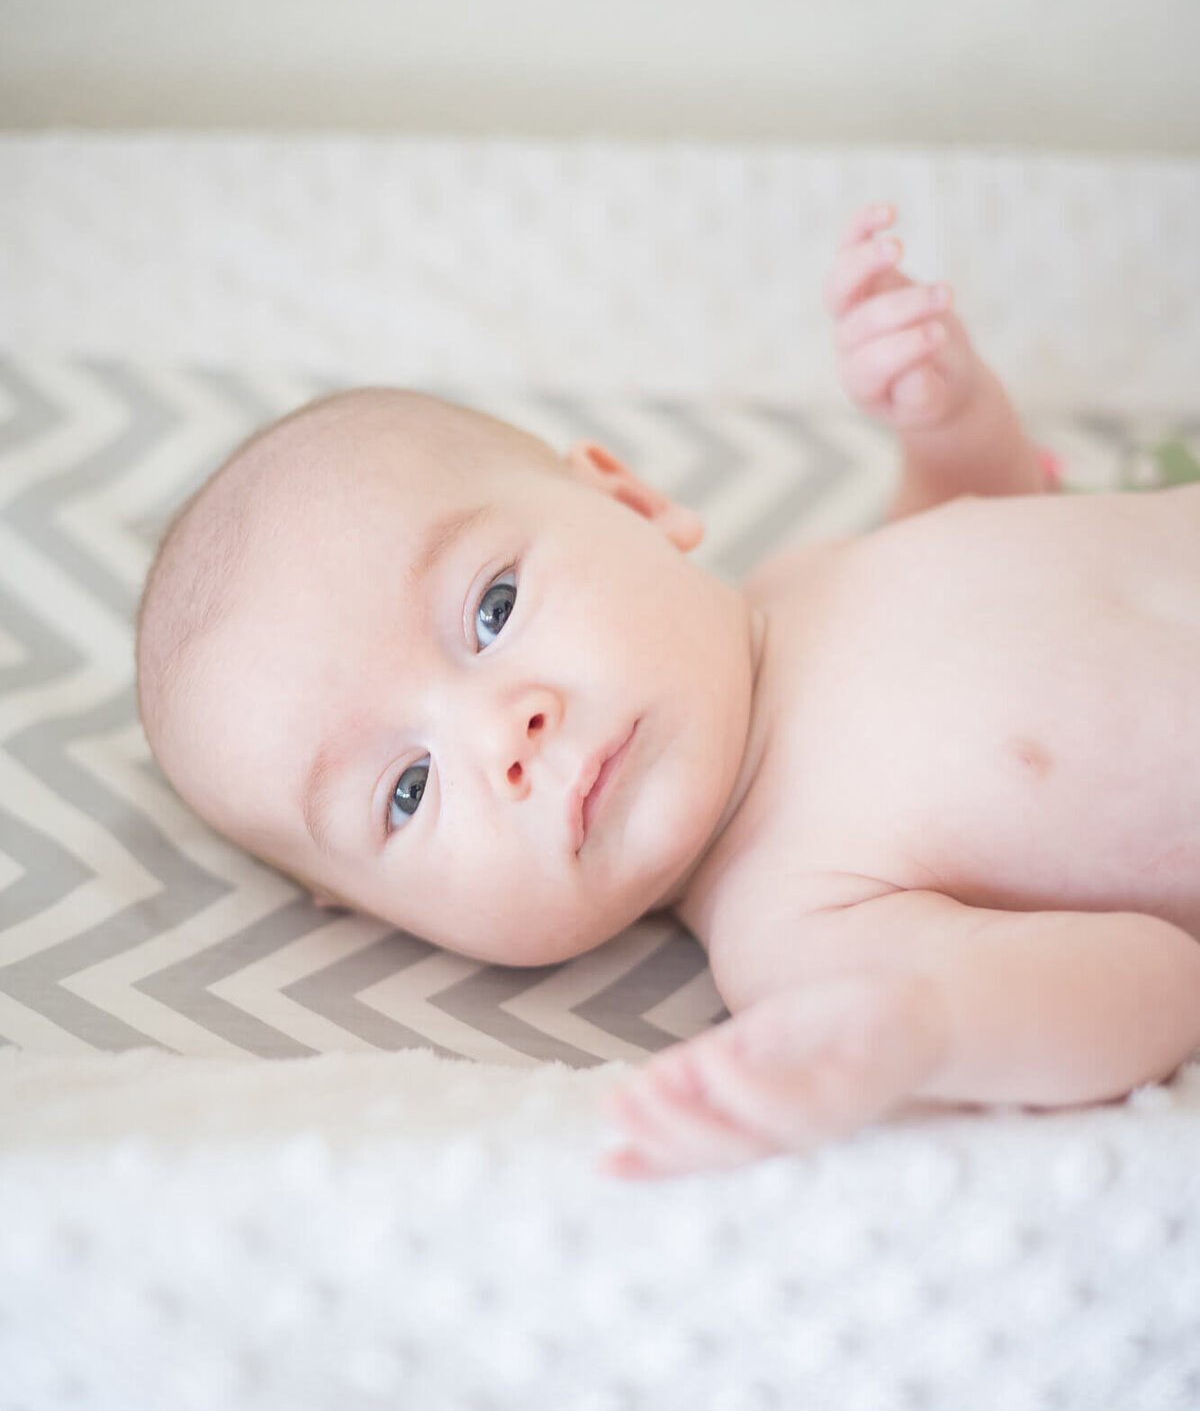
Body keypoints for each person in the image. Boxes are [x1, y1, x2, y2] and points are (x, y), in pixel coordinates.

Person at [136, 205, 1200, 1179]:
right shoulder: (791, 922)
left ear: (634, 500)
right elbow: (1155, 990)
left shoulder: (809, 578)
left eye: (493, 608)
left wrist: (946, 422)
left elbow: (985, 529)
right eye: (408, 792)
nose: (503, 735)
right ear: (399, 925)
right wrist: (930, 1028)